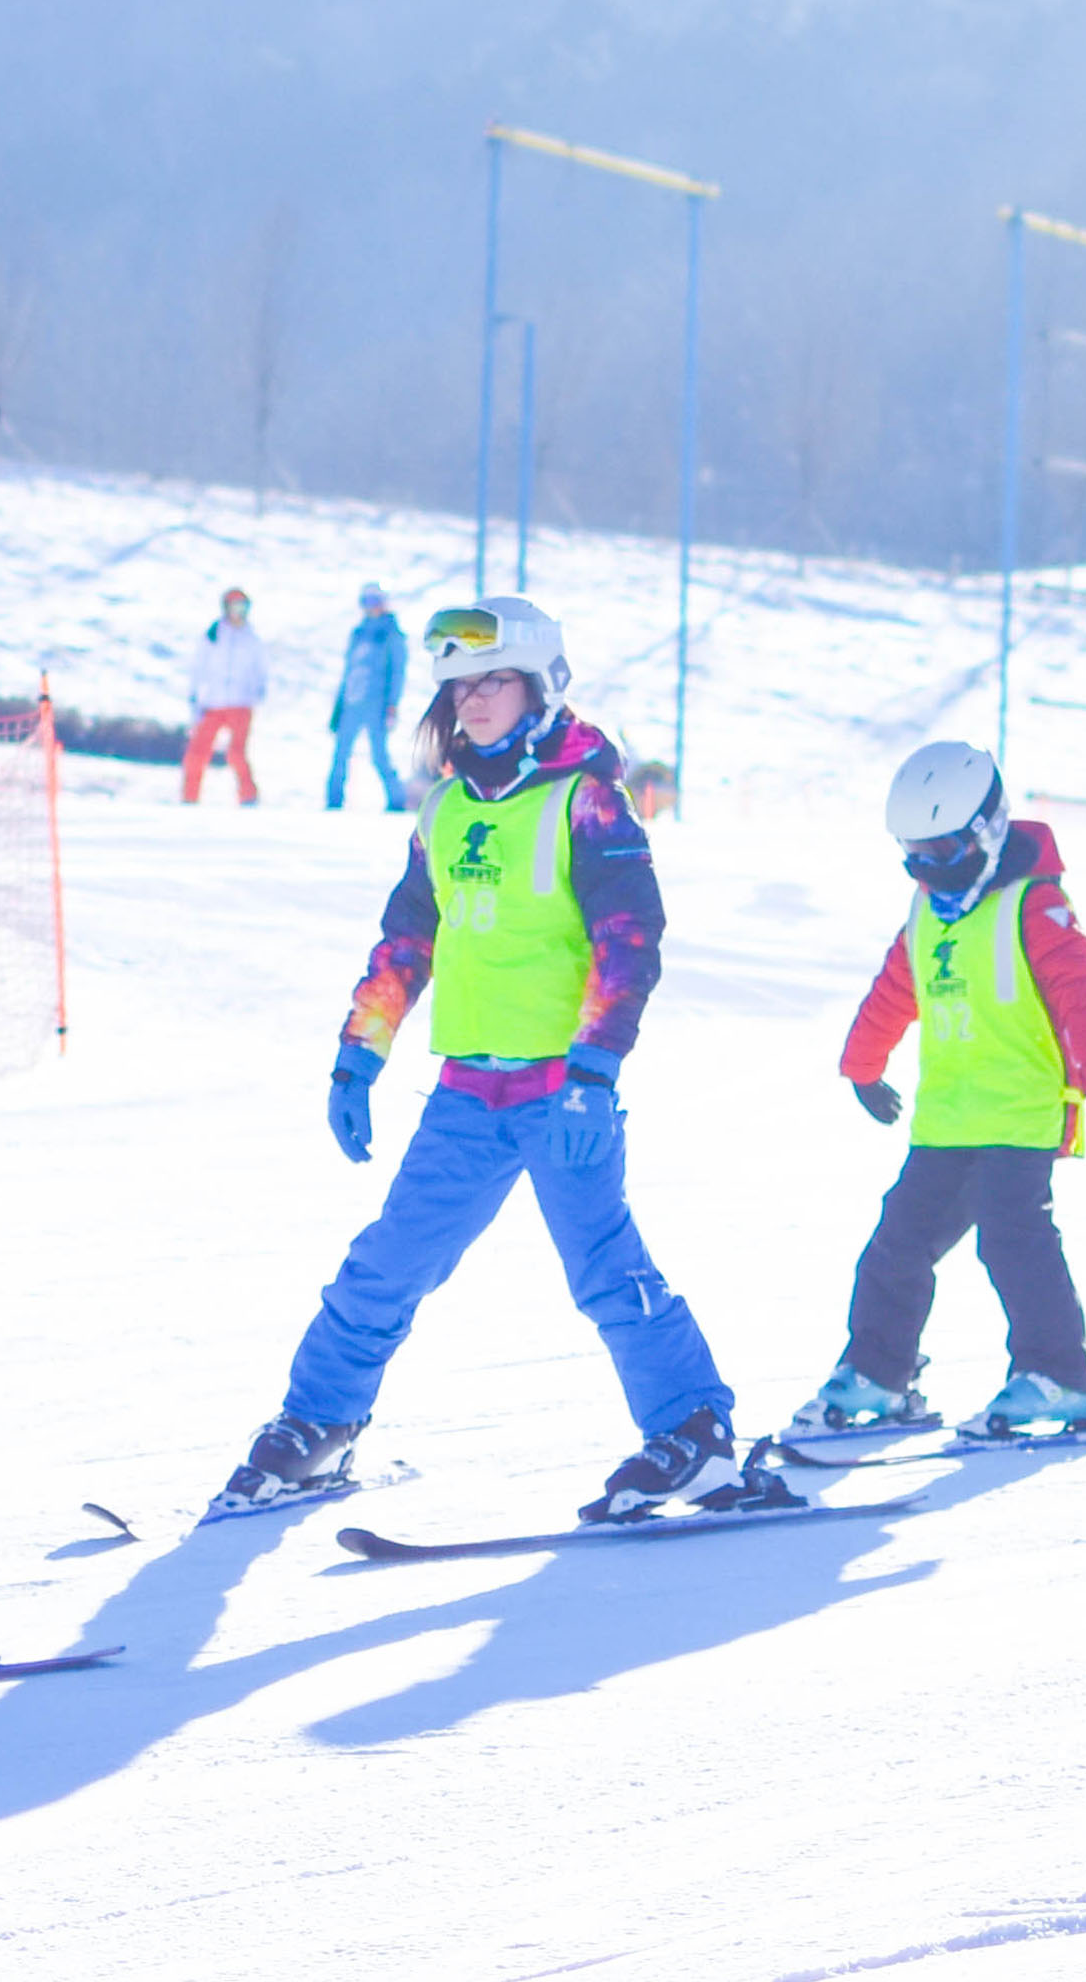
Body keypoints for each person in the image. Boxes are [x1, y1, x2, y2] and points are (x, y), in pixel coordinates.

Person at [217, 596, 774, 1522]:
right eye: (460, 686)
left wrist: (596, 1069)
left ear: (541, 686)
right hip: (468, 1091)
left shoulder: (587, 798)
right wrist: (360, 1055)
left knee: (603, 1266)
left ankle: (694, 1434)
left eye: (494, 682)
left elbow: (630, 941)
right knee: (385, 1264)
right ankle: (317, 1424)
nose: (473, 702)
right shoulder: (443, 808)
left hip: (563, 1089)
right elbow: (407, 941)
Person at [795, 742, 1086, 1440]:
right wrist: (862, 1066)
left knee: (1013, 1243)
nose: (929, 869)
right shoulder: (927, 910)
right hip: (946, 1118)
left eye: (943, 850)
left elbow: (1081, 993)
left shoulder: (1036, 905)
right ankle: (878, 1372)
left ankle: (1057, 1379)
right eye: (913, 854)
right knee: (896, 1245)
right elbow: (895, 988)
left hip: (1019, 1115)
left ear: (988, 830)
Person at [325, 582, 412, 811]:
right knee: (341, 753)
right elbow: (349, 672)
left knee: (379, 755)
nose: (371, 607)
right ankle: (333, 800)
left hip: (377, 704)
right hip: (352, 702)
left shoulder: (391, 633)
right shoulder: (358, 633)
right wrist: (339, 706)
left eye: (376, 601)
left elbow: (397, 672)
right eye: (367, 602)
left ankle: (396, 800)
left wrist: (392, 704)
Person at [181, 587, 269, 804]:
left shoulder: (251, 639)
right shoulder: (213, 635)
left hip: (241, 703)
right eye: (234, 606)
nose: (238, 611)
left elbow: (261, 671)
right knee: (197, 753)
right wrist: (195, 698)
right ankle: (189, 797)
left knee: (236, 753)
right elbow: (198, 667)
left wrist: (256, 694)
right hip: (213, 702)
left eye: (242, 606)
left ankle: (248, 796)